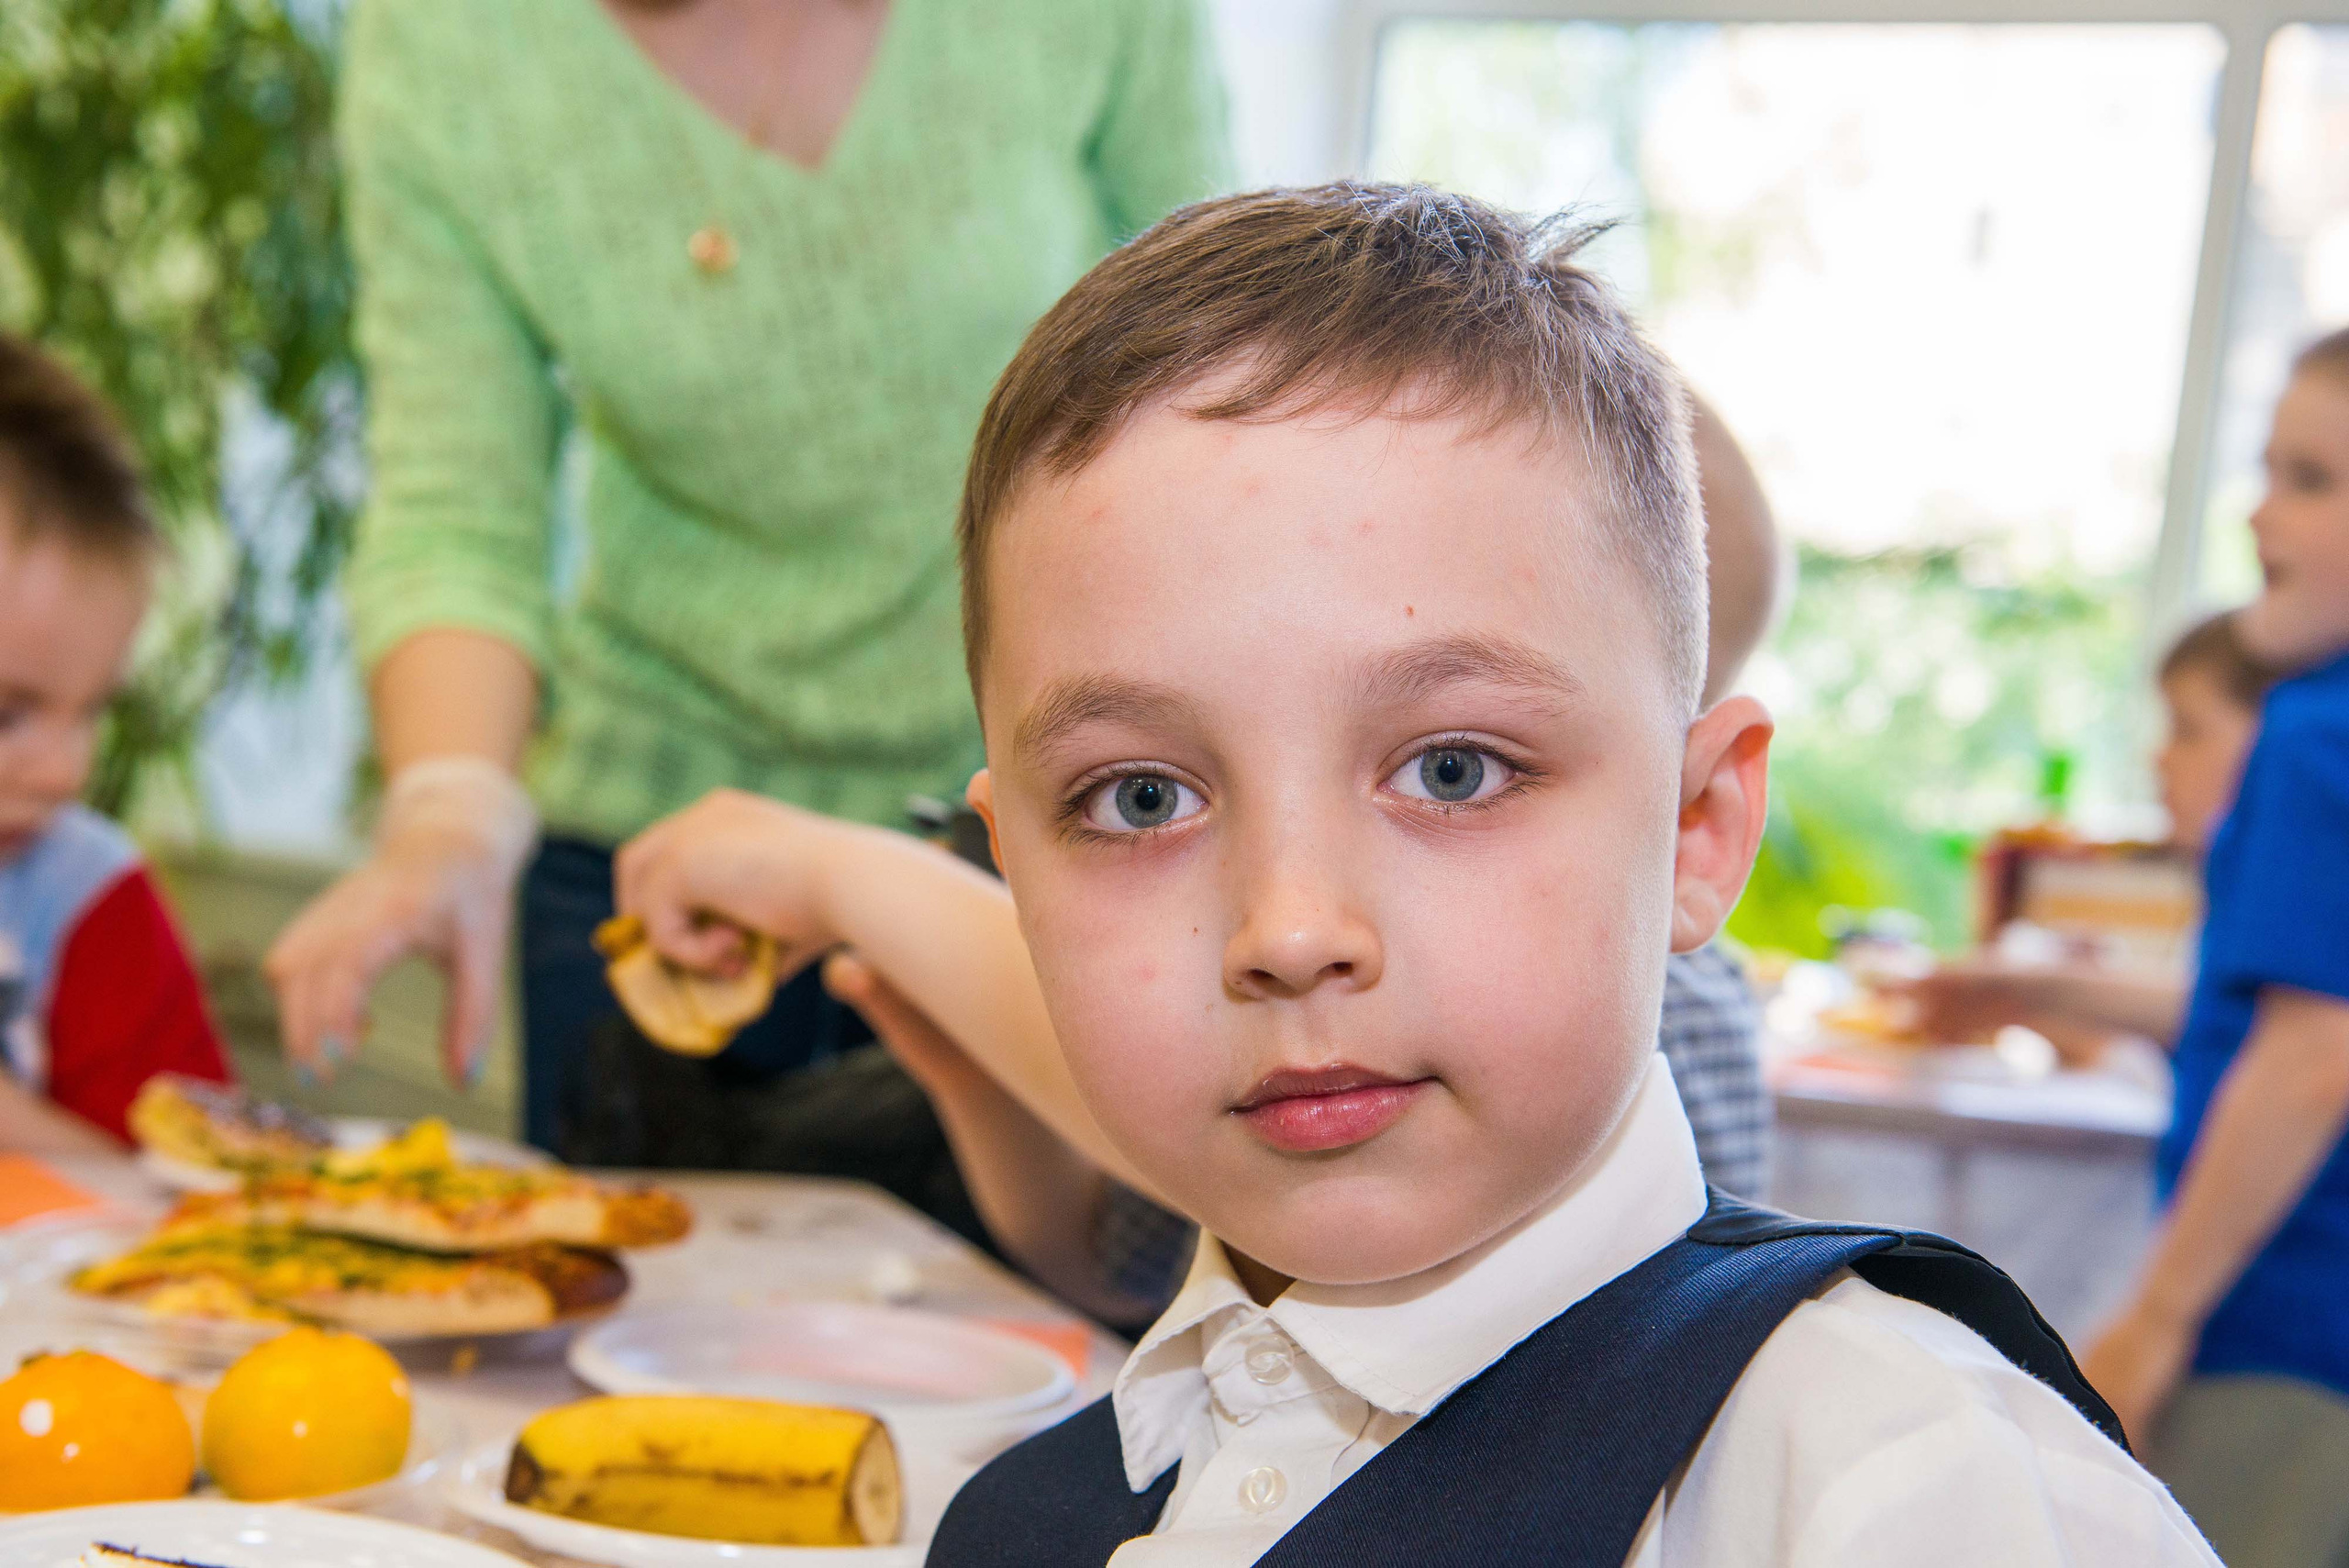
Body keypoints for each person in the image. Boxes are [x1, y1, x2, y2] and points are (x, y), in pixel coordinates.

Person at [618, 183, 2214, 1563]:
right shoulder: (1036, 1511)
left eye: (1454, 769)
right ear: (1015, 872)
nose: (1291, 928)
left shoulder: (1904, 1488)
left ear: (1696, 829)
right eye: (1141, 797)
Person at [261, 0, 1233, 1173]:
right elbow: (456, 505)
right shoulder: (445, 43)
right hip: (654, 866)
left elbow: (1222, 390)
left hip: (1040, 838)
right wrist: (450, 809)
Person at [2081, 327, 2349, 1568]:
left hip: (2276, 1327)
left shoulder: (2314, 733)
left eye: (2313, 481)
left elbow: (2310, 1055)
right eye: (2267, 470)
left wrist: (2153, 1317)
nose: (2259, 514)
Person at [0, 334, 231, 1153]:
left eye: (94, 711)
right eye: (7, 715)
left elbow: (179, 1188)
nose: (67, 773)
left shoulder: (94, 901)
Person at [1898, 610, 2276, 1063]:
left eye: (2187, 730)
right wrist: (2034, 999)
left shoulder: (2293, 909)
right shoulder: (2235, 888)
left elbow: (2235, 1042)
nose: (2157, 758)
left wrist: (2044, 1000)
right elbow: (2210, 1020)